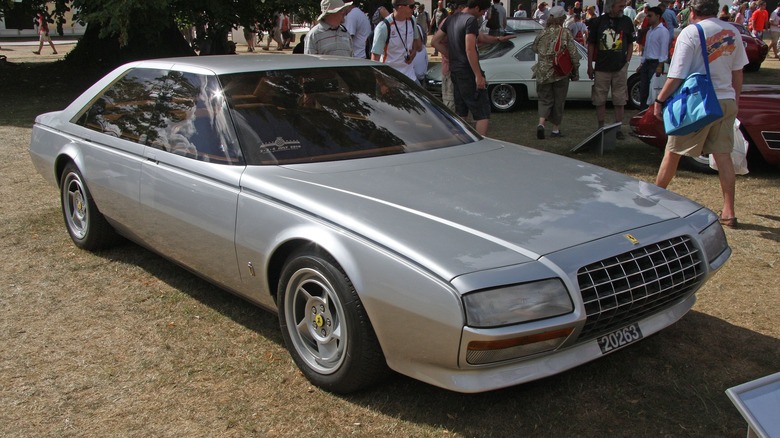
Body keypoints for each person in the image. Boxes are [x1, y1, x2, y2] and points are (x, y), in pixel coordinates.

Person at [652, 0, 748, 228]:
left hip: (698, 102)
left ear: (692, 12)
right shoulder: (732, 31)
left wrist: (659, 100)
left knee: (673, 151)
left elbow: (676, 74)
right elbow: (738, 71)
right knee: (723, 155)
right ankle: (729, 211)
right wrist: (736, 100)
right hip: (725, 99)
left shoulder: (691, 32)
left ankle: (654, 200)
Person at [431, 0, 514, 135]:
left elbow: (435, 41)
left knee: (461, 110)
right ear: (476, 8)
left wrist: (451, 55)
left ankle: (461, 141)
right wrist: (478, 75)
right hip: (468, 71)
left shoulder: (451, 19)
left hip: (455, 70)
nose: (483, 14)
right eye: (483, 11)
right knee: (482, 112)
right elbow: (470, 49)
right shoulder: (470, 21)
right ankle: (480, 145)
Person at [586, 0, 634, 139]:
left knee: (620, 99)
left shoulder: (626, 21)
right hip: (601, 67)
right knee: (599, 98)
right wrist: (590, 65)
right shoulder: (598, 22)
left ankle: (618, 128)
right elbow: (591, 45)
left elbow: (630, 43)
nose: (622, 9)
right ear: (610, 7)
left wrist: (627, 61)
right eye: (620, 6)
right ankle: (600, 127)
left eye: (623, 6)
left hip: (620, 67)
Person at [532, 6, 581, 139]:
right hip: (559, 72)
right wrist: (575, 71)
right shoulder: (564, 33)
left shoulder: (542, 32)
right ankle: (555, 129)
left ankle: (541, 124)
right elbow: (573, 54)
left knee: (544, 99)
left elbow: (534, 48)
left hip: (542, 72)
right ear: (562, 18)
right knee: (559, 101)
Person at [371, 0, 423, 82]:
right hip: (390, 79)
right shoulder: (383, 27)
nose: (414, 9)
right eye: (412, 6)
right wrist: (381, 83)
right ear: (400, 7)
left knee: (422, 95)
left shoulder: (412, 20)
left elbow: (417, 43)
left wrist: (414, 51)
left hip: (410, 76)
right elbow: (374, 59)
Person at [431, 0, 468, 110]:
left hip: (461, 70)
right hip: (450, 70)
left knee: (461, 104)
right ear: (461, 8)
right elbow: (435, 42)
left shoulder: (465, 21)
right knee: (450, 104)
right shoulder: (448, 21)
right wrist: (451, 56)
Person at [636, 7, 669, 110]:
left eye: (650, 15)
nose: (648, 18)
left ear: (658, 16)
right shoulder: (650, 31)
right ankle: (643, 113)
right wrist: (642, 63)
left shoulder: (663, 31)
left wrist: (660, 66)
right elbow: (646, 49)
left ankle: (652, 114)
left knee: (654, 91)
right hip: (647, 63)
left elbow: (663, 50)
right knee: (644, 91)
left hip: (656, 64)